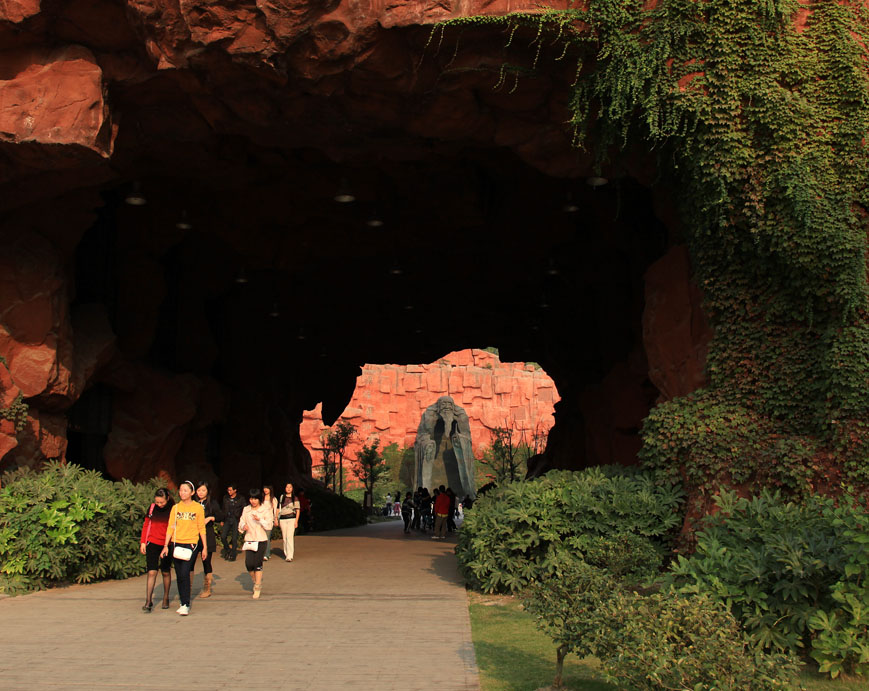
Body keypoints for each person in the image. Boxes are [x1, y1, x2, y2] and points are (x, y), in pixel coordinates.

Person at [161, 480, 207, 616]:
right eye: (180, 490)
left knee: (185, 572)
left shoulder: (198, 508)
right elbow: (170, 526)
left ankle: (186, 603)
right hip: (177, 543)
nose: (182, 493)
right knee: (179, 574)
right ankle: (183, 602)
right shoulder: (175, 508)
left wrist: (204, 547)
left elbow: (201, 527)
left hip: (191, 543)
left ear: (192, 492)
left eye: (185, 490)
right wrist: (165, 545)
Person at [139, 488, 174, 612]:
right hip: (152, 542)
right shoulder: (152, 508)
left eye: (161, 502)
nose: (159, 505)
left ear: (167, 498)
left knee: (165, 571)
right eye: (157, 502)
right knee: (151, 572)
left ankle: (165, 598)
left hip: (167, 544)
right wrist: (143, 541)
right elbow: (146, 524)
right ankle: (148, 601)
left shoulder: (173, 509)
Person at [238, 488, 274, 599]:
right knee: (249, 564)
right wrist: (243, 526)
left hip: (261, 539)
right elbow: (241, 522)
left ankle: (257, 586)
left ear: (259, 499)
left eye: (255, 499)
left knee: (257, 563)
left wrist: (260, 520)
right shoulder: (246, 509)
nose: (253, 501)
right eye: (251, 498)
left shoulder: (265, 510)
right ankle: (255, 580)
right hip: (249, 539)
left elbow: (269, 525)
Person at [195, 481, 224, 599]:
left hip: (207, 535)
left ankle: (207, 587)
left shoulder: (212, 503)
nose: (201, 493)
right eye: (199, 490)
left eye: (203, 490)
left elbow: (221, 516)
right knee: (190, 560)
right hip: (193, 535)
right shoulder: (193, 503)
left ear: (207, 491)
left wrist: (211, 518)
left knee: (206, 561)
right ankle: (189, 585)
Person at [276, 482, 301, 562]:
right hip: (283, 519)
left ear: (292, 488)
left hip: (291, 518)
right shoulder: (282, 497)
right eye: (287, 487)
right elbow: (278, 508)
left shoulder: (295, 498)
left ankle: (290, 556)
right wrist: (276, 518)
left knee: (289, 537)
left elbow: (297, 510)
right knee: (284, 537)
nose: (288, 488)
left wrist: (296, 521)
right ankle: (286, 553)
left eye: (290, 487)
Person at [220, 485, 245, 561]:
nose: (229, 492)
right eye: (228, 490)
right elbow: (223, 509)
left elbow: (244, 509)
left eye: (230, 490)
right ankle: (228, 550)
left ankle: (233, 554)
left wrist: (242, 520)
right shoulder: (226, 498)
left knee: (234, 538)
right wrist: (222, 520)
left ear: (235, 490)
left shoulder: (240, 498)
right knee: (223, 536)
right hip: (227, 518)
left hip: (236, 519)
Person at [262, 485, 278, 560]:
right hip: (261, 519)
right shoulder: (261, 498)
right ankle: (262, 553)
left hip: (269, 519)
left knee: (267, 537)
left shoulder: (273, 499)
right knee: (261, 537)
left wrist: (276, 519)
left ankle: (266, 554)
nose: (265, 490)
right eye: (264, 488)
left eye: (267, 488)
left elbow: (275, 510)